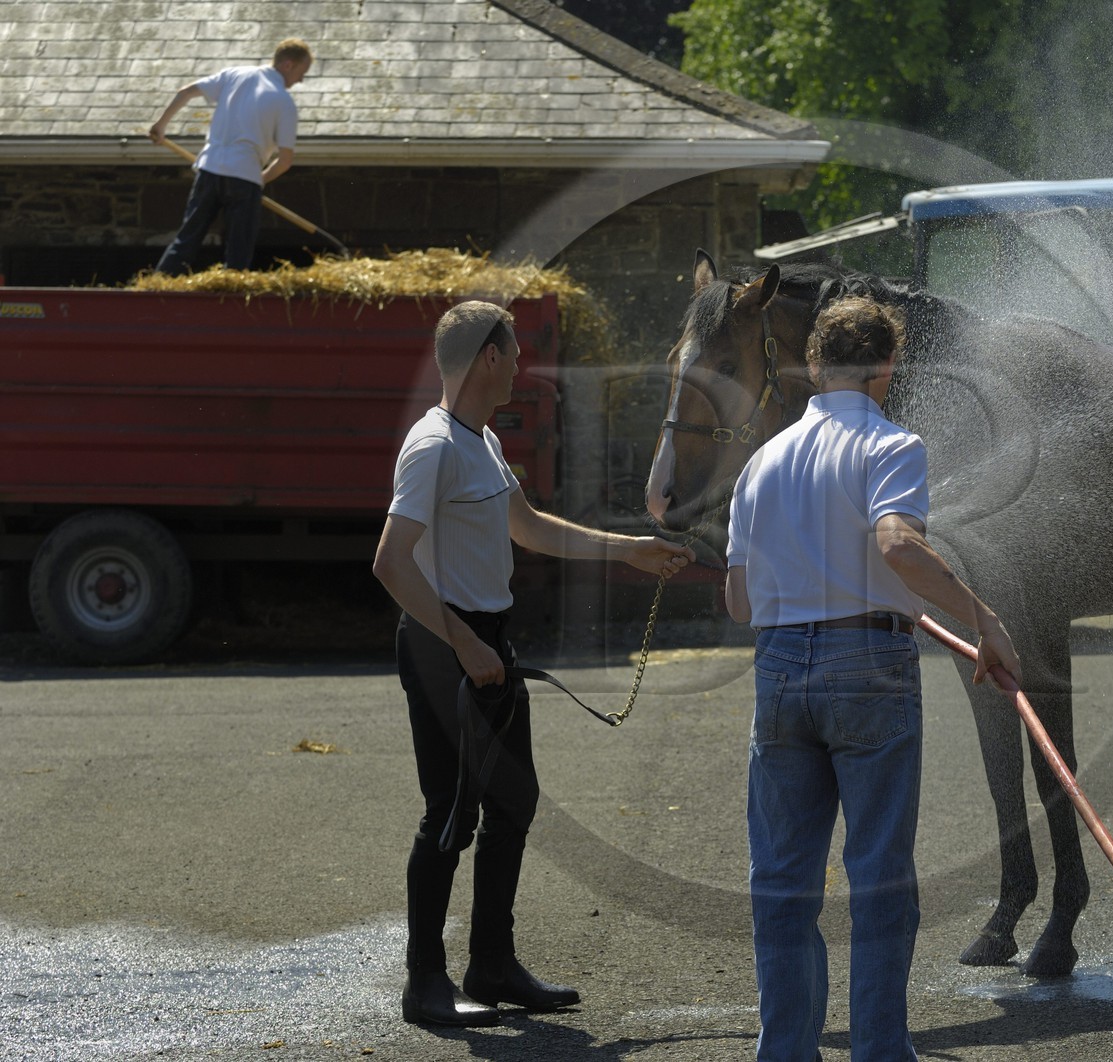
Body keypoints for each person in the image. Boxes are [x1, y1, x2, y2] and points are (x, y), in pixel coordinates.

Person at [372, 300, 695, 1027]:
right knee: (450, 814)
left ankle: (491, 965)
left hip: (487, 641)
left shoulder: (481, 439)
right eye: (514, 352)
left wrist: (631, 551)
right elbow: (391, 563)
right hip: (444, 647)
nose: (522, 364)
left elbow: (529, 526)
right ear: (489, 357)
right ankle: (425, 983)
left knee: (513, 802)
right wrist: (463, 642)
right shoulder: (433, 446)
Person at [723, 296, 1021, 1061]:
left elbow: (738, 602)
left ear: (814, 364)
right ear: (888, 368)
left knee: (782, 881)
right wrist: (983, 620)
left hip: (779, 670)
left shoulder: (761, 463)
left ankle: (785, 1053)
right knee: (880, 876)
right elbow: (897, 546)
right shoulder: (893, 446)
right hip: (868, 664)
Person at [148, 37, 313, 274]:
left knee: (187, 239)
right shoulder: (284, 102)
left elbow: (185, 92)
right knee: (238, 250)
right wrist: (261, 180)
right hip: (245, 177)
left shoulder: (235, 74)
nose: (301, 80)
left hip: (210, 169)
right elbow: (285, 161)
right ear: (288, 65)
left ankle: (159, 284)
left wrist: (160, 125)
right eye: (301, 73)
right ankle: (231, 291)